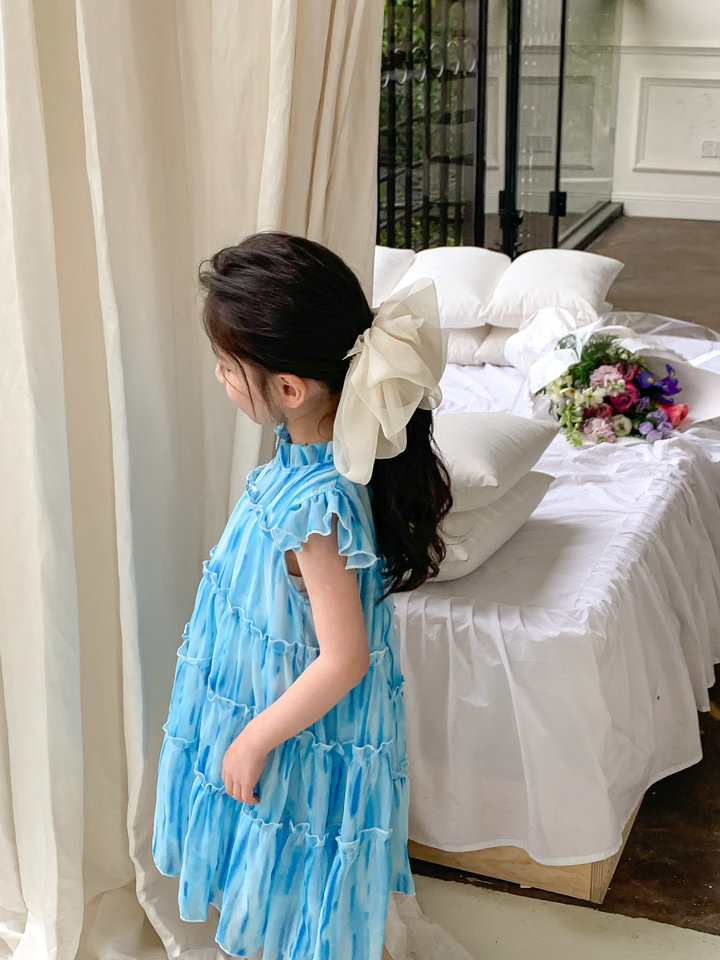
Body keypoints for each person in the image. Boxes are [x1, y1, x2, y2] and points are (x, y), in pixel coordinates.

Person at [152, 232, 453, 960]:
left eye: (229, 366)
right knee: (285, 874)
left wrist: (255, 737)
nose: (220, 376)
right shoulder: (307, 461)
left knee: (310, 886)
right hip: (280, 706)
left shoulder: (319, 504)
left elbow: (344, 659)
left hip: (301, 730)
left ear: (289, 390)